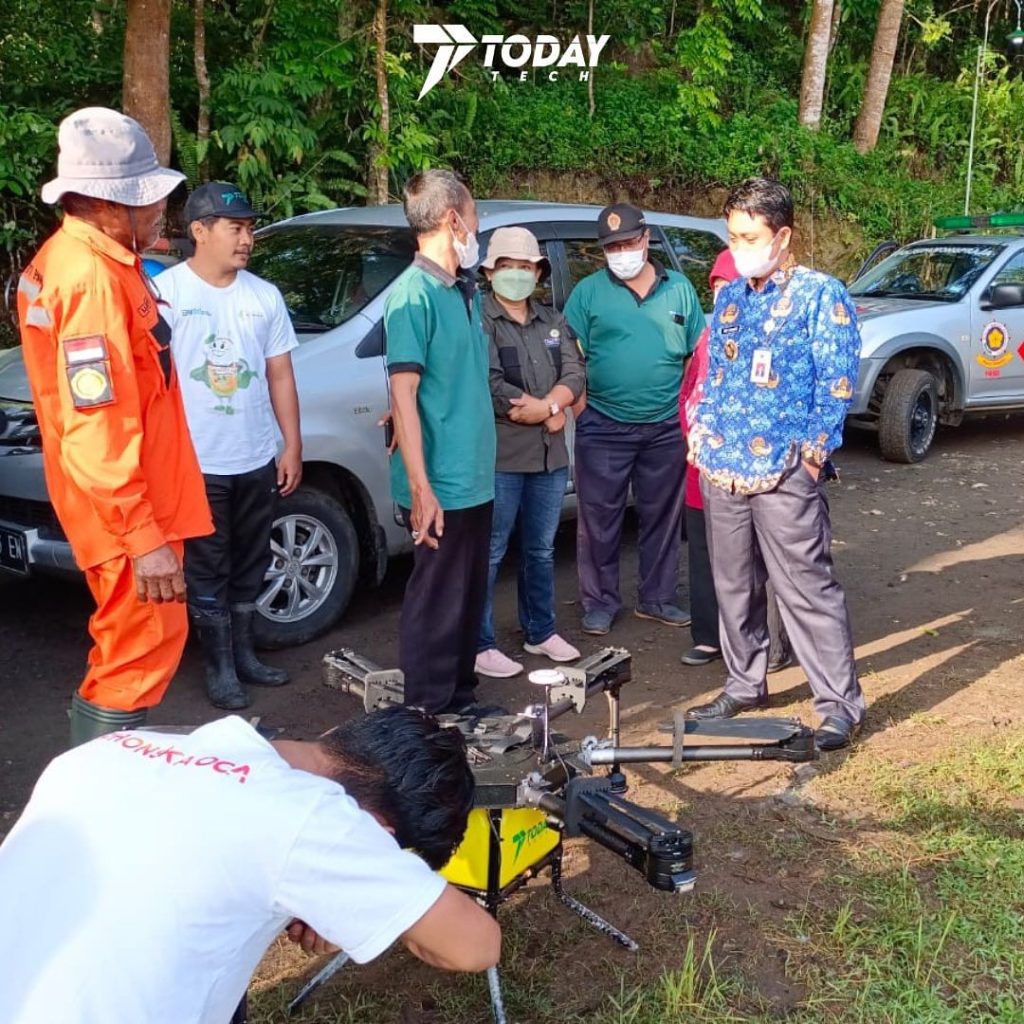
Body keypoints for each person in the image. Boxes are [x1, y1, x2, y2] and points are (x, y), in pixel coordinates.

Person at [0, 706, 501, 1024]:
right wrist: (372, 905)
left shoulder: (111, 749)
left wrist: (340, 901)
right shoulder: (315, 815)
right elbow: (475, 945)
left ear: (335, 733)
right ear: (379, 831)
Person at [15, 107, 212, 745]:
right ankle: (102, 793)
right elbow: (95, 427)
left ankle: (108, 774)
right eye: (148, 199)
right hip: (127, 511)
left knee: (137, 644)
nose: (160, 211)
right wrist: (143, 535)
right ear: (107, 204)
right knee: (136, 650)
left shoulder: (84, 260)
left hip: (131, 500)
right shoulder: (89, 278)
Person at [686, 178, 866, 751]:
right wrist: (703, 432)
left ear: (782, 235)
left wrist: (812, 457)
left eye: (750, 237)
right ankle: (745, 682)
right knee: (733, 584)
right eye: (733, 236)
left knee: (805, 586)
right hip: (723, 465)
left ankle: (838, 704)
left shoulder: (822, 295)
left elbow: (837, 384)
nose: (739, 248)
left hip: (786, 468)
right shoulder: (731, 297)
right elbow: (717, 374)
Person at [160, 182, 302, 711]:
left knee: (252, 558)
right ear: (200, 231)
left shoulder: (263, 296)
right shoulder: (169, 294)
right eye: (235, 227)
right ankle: (218, 667)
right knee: (207, 565)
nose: (247, 238)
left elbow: (281, 376)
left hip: (255, 452)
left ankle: (245, 654)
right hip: (198, 460)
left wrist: (291, 445)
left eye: (249, 228)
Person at [386, 170, 499, 715]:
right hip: (440, 482)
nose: (477, 226)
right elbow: (402, 393)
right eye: (474, 214)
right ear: (453, 219)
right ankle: (426, 710)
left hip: (474, 473)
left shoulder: (463, 290)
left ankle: (460, 696)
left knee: (467, 593)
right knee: (436, 598)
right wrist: (420, 487)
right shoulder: (412, 294)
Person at [563, 202, 704, 636]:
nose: (621, 252)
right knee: (598, 520)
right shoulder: (588, 293)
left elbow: (697, 354)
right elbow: (568, 352)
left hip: (664, 427)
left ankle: (657, 597)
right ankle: (600, 602)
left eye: (628, 242)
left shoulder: (679, 288)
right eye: (612, 247)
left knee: (661, 517)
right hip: (603, 424)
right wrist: (581, 408)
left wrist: (683, 411)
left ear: (645, 239)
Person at [474, 227, 586, 678]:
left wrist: (551, 405)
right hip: (502, 455)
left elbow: (575, 370)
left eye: (525, 267)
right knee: (491, 550)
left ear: (537, 272)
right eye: (508, 267)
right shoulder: (480, 319)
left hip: (549, 455)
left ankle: (540, 631)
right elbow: (491, 382)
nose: (517, 274)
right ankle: (478, 643)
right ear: (490, 272)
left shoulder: (552, 320)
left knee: (540, 548)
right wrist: (546, 411)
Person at [679, 250, 791, 673]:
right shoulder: (708, 337)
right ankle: (712, 637)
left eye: (731, 285)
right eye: (717, 288)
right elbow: (691, 394)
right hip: (701, 468)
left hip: (754, 470)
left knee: (762, 561)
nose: (724, 294)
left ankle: (771, 645)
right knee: (711, 557)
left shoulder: (772, 335)